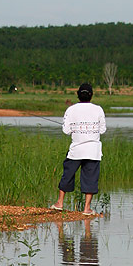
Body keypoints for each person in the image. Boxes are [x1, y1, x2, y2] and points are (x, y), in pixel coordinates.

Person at [50, 82, 106, 216]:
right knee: (91, 178)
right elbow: (103, 130)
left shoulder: (71, 110)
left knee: (67, 174)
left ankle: (60, 203)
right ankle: (86, 209)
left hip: (76, 150)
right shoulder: (98, 109)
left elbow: (66, 131)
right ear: (91, 95)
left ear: (78, 95)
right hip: (93, 151)